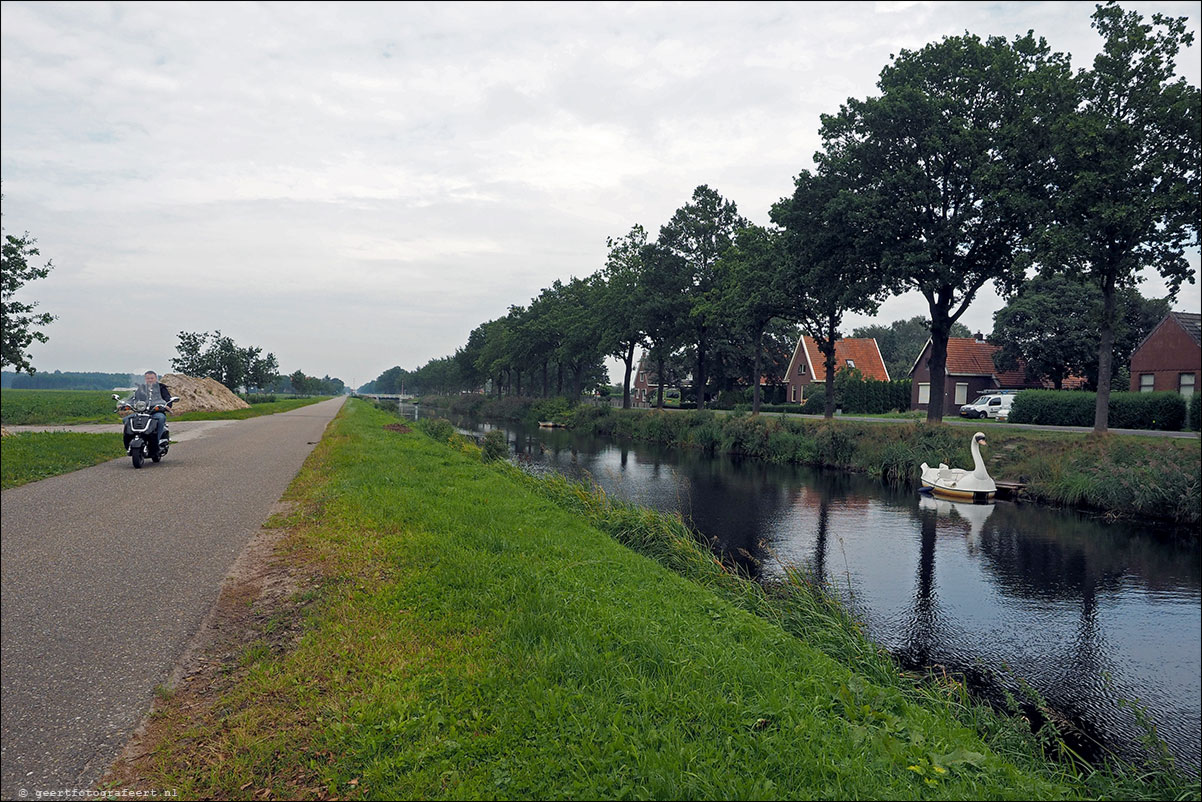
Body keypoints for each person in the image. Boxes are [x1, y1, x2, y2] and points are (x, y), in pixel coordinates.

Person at [132, 370, 173, 449]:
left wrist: (167, 405)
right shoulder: (142, 388)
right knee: (127, 419)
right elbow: (134, 398)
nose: (150, 380)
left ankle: (156, 441)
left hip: (156, 411)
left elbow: (167, 398)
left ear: (156, 378)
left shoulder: (161, 387)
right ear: (145, 379)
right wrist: (123, 404)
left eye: (152, 378)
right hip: (143, 412)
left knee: (161, 418)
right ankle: (134, 439)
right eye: (148, 378)